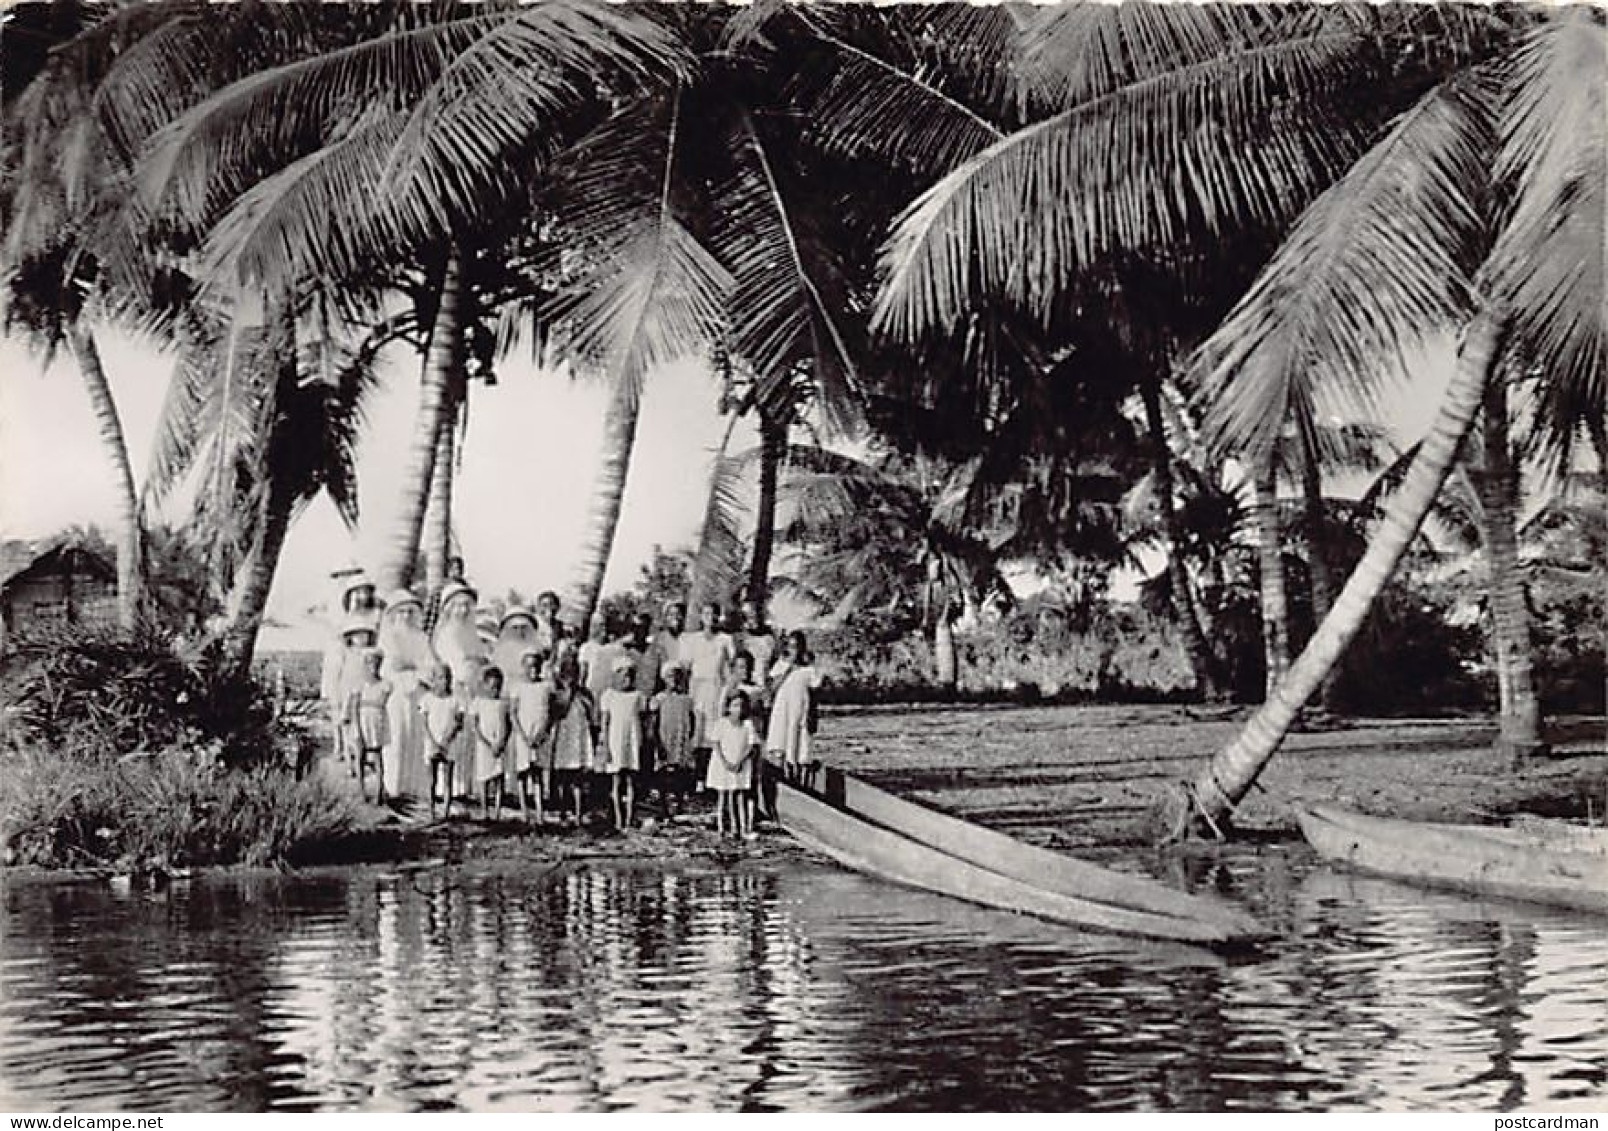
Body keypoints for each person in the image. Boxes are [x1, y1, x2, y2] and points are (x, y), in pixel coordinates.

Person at [379, 589, 434, 804]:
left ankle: (415, 787)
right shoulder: (388, 637)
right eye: (401, 612)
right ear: (393, 614)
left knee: (417, 739)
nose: (406, 616)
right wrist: (410, 666)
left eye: (410, 611)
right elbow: (391, 665)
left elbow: (428, 664)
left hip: (418, 691)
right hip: (396, 692)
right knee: (397, 736)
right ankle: (394, 787)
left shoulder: (421, 638)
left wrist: (414, 668)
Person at [431, 581, 487, 790]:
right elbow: (455, 662)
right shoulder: (446, 634)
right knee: (451, 733)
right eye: (458, 605)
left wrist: (477, 662)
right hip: (455, 688)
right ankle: (448, 788)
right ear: (449, 608)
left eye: (466, 606)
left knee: (470, 738)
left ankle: (466, 786)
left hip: (474, 688)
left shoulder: (471, 633)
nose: (462, 610)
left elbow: (481, 658)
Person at [682, 601, 733, 783]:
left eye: (713, 614)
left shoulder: (725, 640)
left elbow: (729, 669)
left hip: (716, 689)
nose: (709, 618)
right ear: (701, 617)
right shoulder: (692, 639)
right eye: (706, 614)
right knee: (697, 731)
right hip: (697, 689)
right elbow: (687, 669)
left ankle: (712, 778)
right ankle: (696, 779)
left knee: (714, 732)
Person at [768, 630, 824, 788]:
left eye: (798, 647)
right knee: (782, 742)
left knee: (799, 744)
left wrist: (813, 715)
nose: (795, 650)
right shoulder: (781, 665)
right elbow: (773, 687)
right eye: (792, 646)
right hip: (783, 709)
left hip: (799, 709)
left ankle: (800, 781)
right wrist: (788, 669)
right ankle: (783, 777)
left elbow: (814, 692)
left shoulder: (808, 669)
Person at [546, 652, 596, 825]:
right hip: (564, 738)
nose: (570, 678)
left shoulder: (585, 694)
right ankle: (562, 811)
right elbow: (558, 712)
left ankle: (579, 812)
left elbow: (592, 715)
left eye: (573, 674)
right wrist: (567, 692)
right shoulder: (556, 694)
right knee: (562, 777)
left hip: (579, 737)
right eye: (566, 674)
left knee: (578, 778)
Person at [597, 657, 644, 829]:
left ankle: (629, 818)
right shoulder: (609, 695)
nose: (627, 680)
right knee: (616, 781)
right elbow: (605, 722)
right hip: (615, 740)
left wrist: (640, 742)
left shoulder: (637, 696)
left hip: (631, 740)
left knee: (631, 780)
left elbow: (641, 721)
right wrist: (606, 746)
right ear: (616, 677)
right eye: (623, 676)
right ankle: (618, 818)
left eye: (630, 677)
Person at [707, 690, 759, 839]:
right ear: (728, 707)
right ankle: (722, 827)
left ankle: (741, 827)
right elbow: (716, 743)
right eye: (735, 705)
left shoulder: (747, 725)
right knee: (723, 794)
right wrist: (725, 762)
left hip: (740, 763)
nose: (739, 709)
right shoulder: (722, 723)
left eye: (741, 706)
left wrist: (740, 761)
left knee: (739, 794)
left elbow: (750, 746)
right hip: (724, 763)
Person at [327, 619, 377, 774]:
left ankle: (367, 759)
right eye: (357, 634)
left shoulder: (372, 652)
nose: (361, 638)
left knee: (366, 726)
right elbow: (336, 675)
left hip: (366, 692)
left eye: (364, 634)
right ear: (350, 636)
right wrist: (335, 696)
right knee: (348, 729)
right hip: (347, 691)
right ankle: (350, 763)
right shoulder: (344, 653)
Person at [510, 649, 553, 824]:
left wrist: (542, 732)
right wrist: (522, 735)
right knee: (522, 772)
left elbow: (549, 713)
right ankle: (524, 811)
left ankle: (540, 812)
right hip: (523, 734)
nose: (532, 671)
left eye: (535, 667)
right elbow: (513, 713)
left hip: (539, 734)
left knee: (537, 772)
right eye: (528, 667)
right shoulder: (517, 687)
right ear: (523, 668)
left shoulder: (545, 686)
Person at [419, 663, 463, 821]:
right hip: (432, 742)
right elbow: (424, 724)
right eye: (440, 678)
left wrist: (446, 740)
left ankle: (445, 811)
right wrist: (433, 742)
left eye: (447, 678)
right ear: (433, 680)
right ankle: (431, 811)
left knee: (447, 778)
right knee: (431, 779)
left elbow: (459, 723)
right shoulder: (427, 699)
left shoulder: (455, 700)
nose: (444, 681)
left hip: (449, 744)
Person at [653, 665, 697, 819]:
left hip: (681, 738)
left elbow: (692, 719)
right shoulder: (659, 698)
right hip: (665, 737)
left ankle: (678, 804)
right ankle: (663, 806)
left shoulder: (686, 699)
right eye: (670, 676)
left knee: (681, 772)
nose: (674, 680)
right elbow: (654, 722)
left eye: (677, 677)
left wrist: (689, 737)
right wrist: (658, 743)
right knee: (663, 772)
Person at [348, 648, 391, 803]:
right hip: (362, 720)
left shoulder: (385, 684)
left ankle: (379, 790)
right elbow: (354, 706)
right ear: (365, 665)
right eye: (370, 663)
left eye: (377, 663)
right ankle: (362, 791)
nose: (373, 667)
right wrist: (357, 728)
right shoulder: (359, 684)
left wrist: (372, 703)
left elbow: (382, 702)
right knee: (360, 755)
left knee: (377, 755)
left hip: (376, 721)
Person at [470, 665, 510, 821]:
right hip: (484, 745)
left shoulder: (502, 703)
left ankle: (497, 812)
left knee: (498, 778)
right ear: (485, 685)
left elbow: (508, 724)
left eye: (498, 687)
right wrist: (487, 744)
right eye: (492, 687)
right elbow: (475, 726)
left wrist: (502, 742)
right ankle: (485, 811)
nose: (495, 691)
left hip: (499, 745)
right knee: (484, 778)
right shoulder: (478, 702)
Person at [578, 614, 624, 707]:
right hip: (591, 691)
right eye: (598, 625)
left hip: (610, 692)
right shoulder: (587, 647)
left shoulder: (617, 649)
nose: (603, 629)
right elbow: (583, 671)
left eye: (604, 625)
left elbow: (620, 672)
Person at [733, 599, 778, 693]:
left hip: (764, 688)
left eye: (752, 613)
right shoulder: (739, 639)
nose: (750, 619)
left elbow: (774, 663)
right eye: (746, 615)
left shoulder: (769, 639)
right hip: (743, 688)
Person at [492, 606, 543, 690]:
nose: (519, 632)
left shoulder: (538, 652)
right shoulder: (499, 654)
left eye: (524, 627)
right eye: (515, 628)